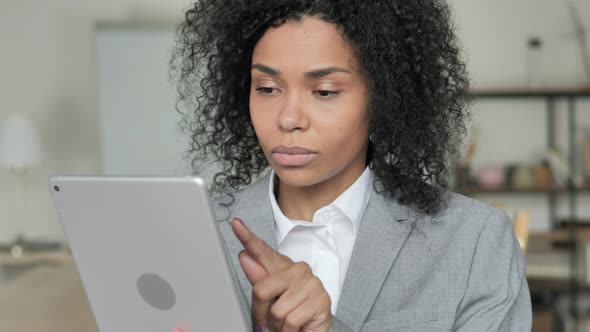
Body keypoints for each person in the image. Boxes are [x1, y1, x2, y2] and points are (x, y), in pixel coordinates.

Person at [171, 0, 532, 331]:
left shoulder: (472, 241)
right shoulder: (194, 234)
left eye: (324, 91)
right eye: (266, 88)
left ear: (383, 96)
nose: (288, 118)